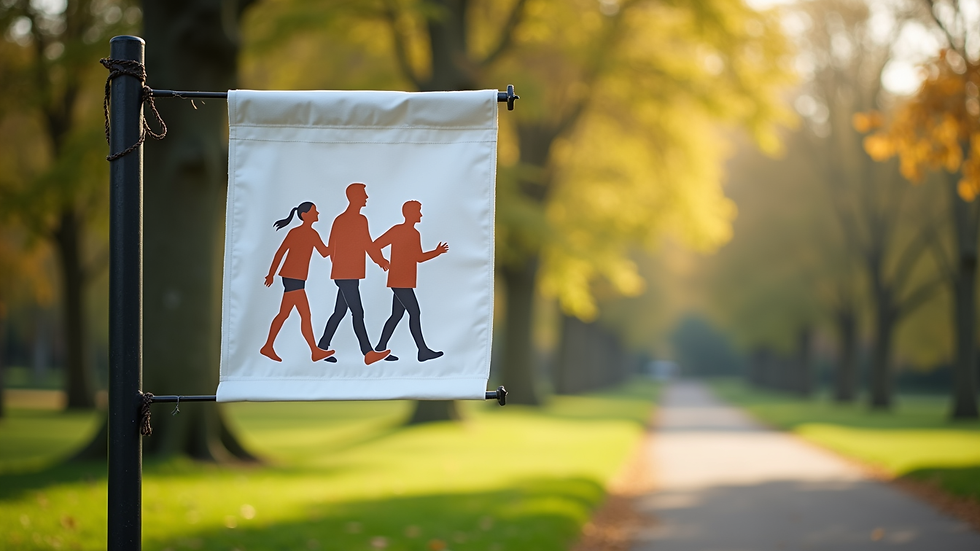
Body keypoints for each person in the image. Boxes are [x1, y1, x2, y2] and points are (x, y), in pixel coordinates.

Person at [317, 183, 391, 365]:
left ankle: (322, 347)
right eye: (363, 195)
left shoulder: (358, 220)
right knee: (358, 312)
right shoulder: (345, 220)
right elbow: (332, 247)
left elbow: (366, 243)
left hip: (349, 273)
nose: (366, 198)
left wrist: (380, 260)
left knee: (339, 311)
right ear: (355, 197)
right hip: (345, 274)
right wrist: (342, 268)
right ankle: (368, 352)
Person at [373, 200, 448, 362]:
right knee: (414, 312)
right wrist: (383, 262)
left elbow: (418, 258)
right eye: (418, 211)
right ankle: (422, 351)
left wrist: (436, 252)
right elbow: (375, 245)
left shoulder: (415, 234)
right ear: (410, 213)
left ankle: (380, 349)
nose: (420, 214)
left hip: (405, 280)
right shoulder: (397, 230)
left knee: (396, 315)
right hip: (399, 280)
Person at [260, 202, 334, 362]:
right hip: (292, 278)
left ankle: (268, 346)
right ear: (305, 215)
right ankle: (314, 351)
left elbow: (325, 252)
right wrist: (270, 274)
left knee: (284, 314)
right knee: (304, 315)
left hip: (294, 278)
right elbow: (280, 252)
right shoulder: (298, 233)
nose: (318, 213)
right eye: (315, 211)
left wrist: (338, 240)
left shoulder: (311, 234)